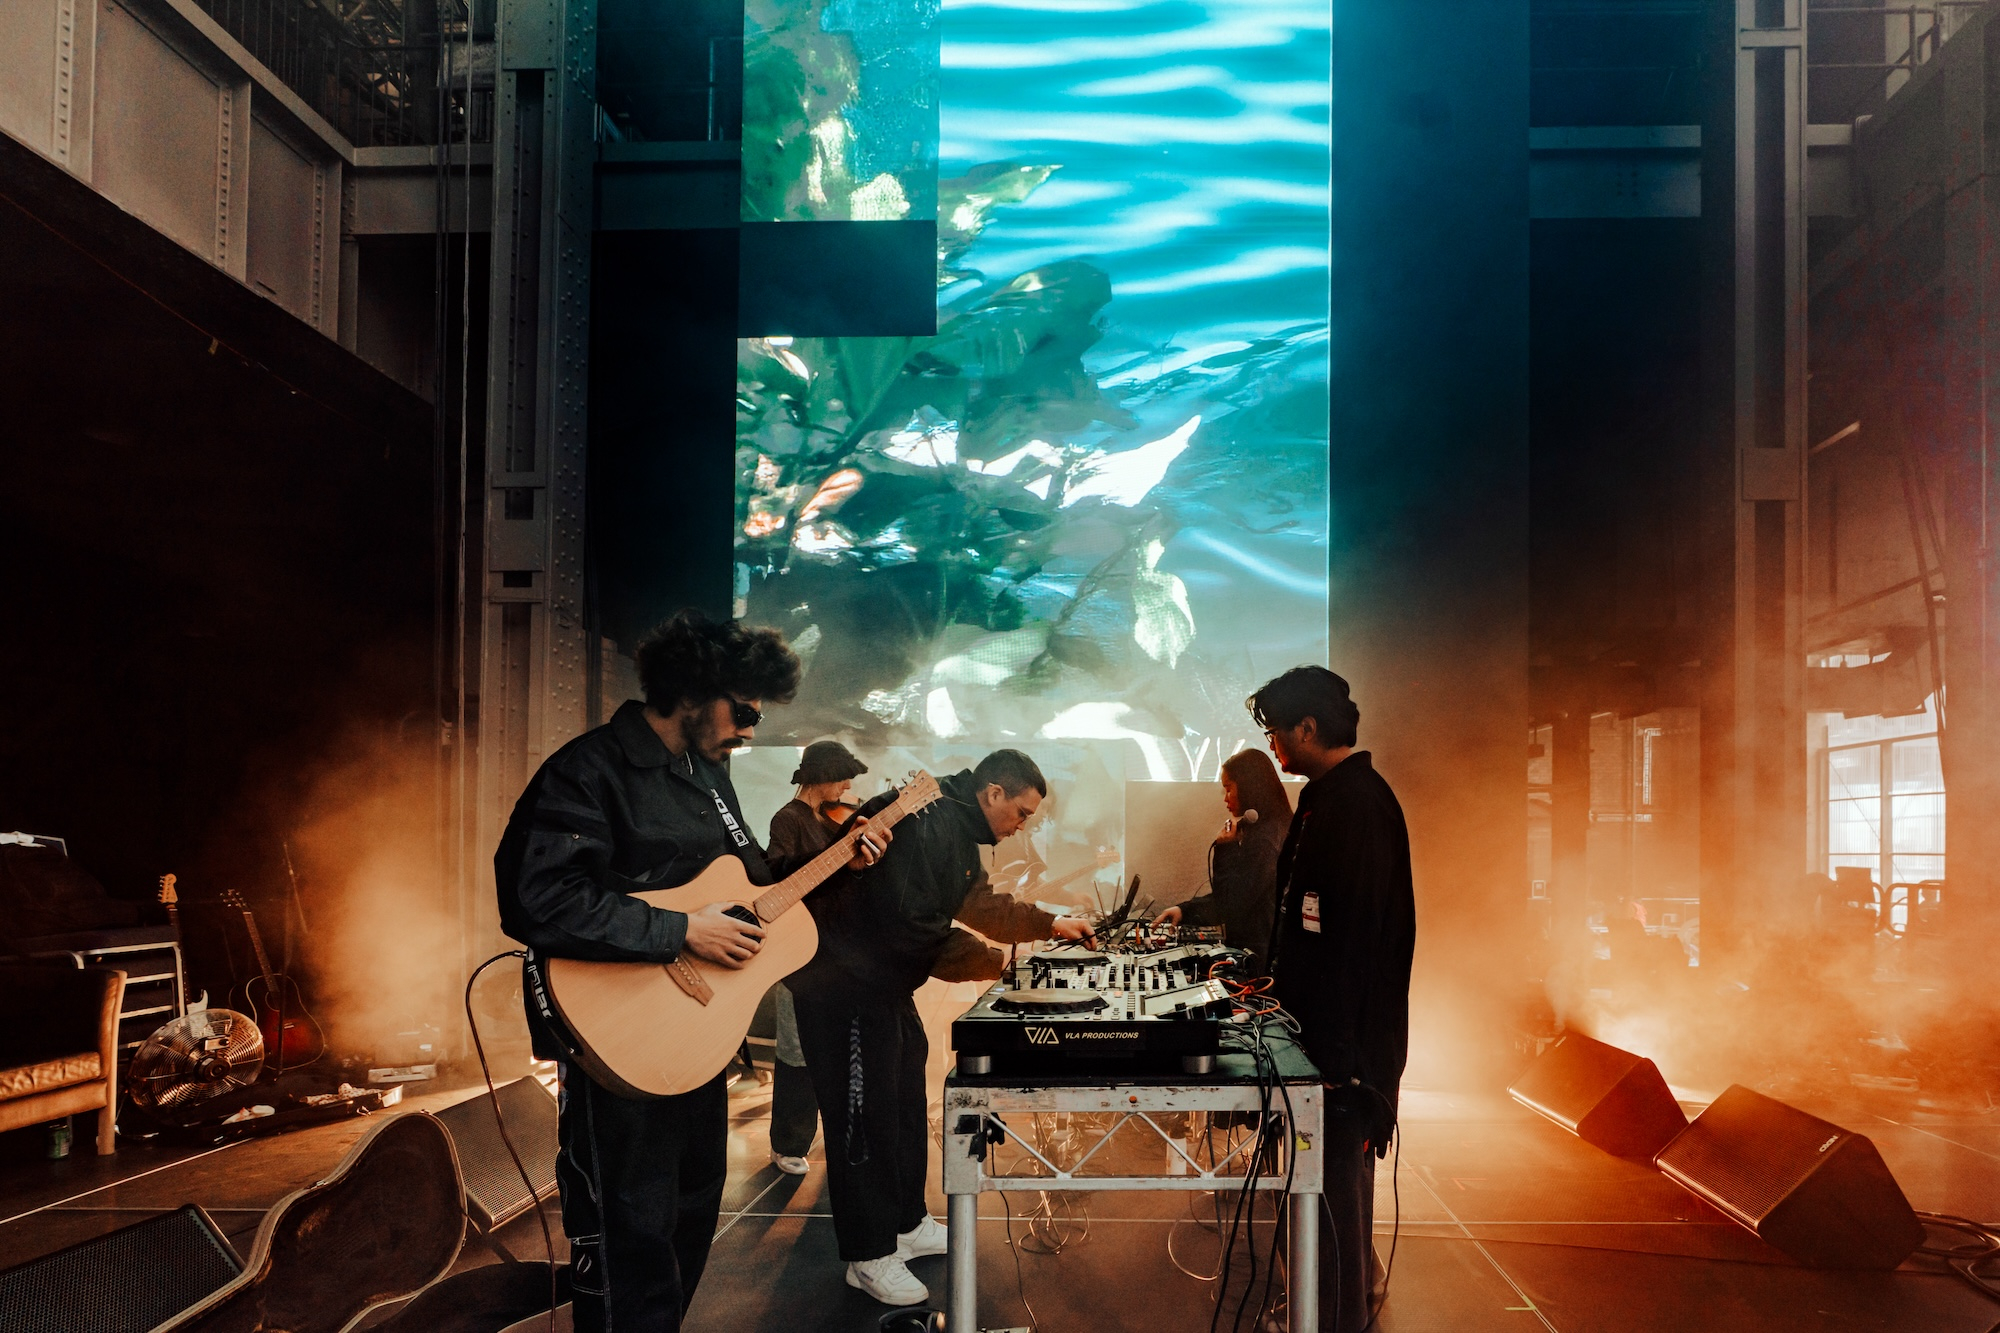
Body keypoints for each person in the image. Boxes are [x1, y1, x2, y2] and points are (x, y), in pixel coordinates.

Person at [493, 610, 884, 1333]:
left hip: (697, 1040)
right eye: (744, 711)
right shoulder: (590, 769)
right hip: (615, 1043)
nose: (751, 730)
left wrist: (838, 862)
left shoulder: (709, 780)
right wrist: (679, 930)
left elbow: (756, 895)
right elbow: (535, 896)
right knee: (629, 1233)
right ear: (694, 690)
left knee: (691, 1211)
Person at [786, 748, 1098, 1307]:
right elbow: (911, 926)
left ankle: (905, 1224)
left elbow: (975, 901)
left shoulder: (954, 826)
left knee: (905, 1106)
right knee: (864, 1122)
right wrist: (1001, 964)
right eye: (1022, 813)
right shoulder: (920, 815)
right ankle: (867, 1255)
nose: (1023, 825)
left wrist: (1051, 923)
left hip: (884, 986)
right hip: (843, 988)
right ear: (993, 793)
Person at [1250, 666, 1415, 1331]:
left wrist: (1342, 1059)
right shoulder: (1327, 798)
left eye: (1275, 731)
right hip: (1320, 1042)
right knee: (1318, 1197)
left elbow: (1356, 946)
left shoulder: (1360, 805)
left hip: (1345, 1057)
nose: (1271, 744)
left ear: (1308, 727)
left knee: (1337, 1201)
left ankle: (1335, 1319)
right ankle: (1315, 1312)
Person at [762, 739, 870, 1174]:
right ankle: (788, 1143)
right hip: (799, 953)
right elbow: (777, 874)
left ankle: (840, 1137)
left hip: (835, 951)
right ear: (822, 775)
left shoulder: (830, 820)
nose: (847, 787)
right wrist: (835, 855)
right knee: (796, 1051)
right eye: (842, 777)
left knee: (835, 1051)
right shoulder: (787, 819)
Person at [1154, 747, 1293, 968]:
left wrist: (1225, 849)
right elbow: (1235, 894)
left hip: (1258, 960)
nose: (1225, 798)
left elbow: (1232, 903)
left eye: (1229, 789)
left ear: (1248, 786)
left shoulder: (1266, 841)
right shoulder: (1267, 829)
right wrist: (1184, 910)